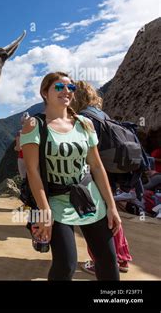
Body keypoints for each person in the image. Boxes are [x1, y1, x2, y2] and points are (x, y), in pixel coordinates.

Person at [20, 72, 121, 280]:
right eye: (59, 87)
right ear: (44, 93)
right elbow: (32, 170)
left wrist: (111, 206)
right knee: (66, 264)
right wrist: (44, 211)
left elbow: (96, 166)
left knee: (108, 260)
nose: (66, 91)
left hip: (88, 196)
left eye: (70, 88)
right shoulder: (34, 125)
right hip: (56, 201)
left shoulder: (84, 123)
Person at [72, 80, 133, 274]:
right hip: (112, 174)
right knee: (111, 217)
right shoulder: (101, 114)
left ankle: (103, 261)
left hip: (94, 176)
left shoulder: (82, 119)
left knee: (95, 221)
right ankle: (122, 258)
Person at [15, 112, 29, 179]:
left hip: (22, 157)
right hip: (33, 157)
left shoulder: (20, 133)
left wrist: (15, 148)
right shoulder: (34, 132)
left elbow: (18, 148)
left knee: (24, 178)